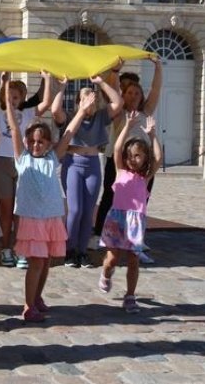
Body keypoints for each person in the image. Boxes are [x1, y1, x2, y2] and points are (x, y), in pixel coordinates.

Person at [6, 85, 94, 322]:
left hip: (51, 218)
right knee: (36, 263)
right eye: (32, 141)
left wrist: (82, 111)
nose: (36, 145)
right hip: (32, 220)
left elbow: (68, 134)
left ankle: (37, 297)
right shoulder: (22, 159)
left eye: (41, 142)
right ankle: (28, 306)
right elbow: (14, 128)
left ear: (47, 143)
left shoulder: (52, 158)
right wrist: (6, 98)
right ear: (27, 142)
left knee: (45, 262)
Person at [51, 74, 123, 268]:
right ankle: (69, 250)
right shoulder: (70, 117)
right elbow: (55, 110)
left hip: (92, 164)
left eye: (94, 99)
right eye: (86, 99)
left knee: (88, 211)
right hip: (73, 163)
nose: (91, 102)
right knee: (75, 210)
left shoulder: (100, 117)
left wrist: (101, 83)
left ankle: (82, 252)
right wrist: (62, 88)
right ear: (78, 102)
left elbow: (118, 103)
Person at [94, 57, 162, 258]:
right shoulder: (119, 112)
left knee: (141, 200)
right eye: (130, 92)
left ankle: (135, 237)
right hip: (119, 162)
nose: (133, 96)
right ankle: (101, 233)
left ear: (141, 96)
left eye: (137, 93)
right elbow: (114, 91)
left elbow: (156, 90)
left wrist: (158, 67)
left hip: (142, 163)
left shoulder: (146, 111)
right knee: (110, 197)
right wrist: (115, 71)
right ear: (124, 95)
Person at [98, 112, 162, 314]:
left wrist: (152, 136)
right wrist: (127, 126)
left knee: (133, 261)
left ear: (144, 158)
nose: (133, 159)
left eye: (138, 155)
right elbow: (117, 148)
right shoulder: (120, 172)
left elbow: (158, 158)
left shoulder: (145, 178)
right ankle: (106, 274)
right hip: (116, 220)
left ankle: (130, 296)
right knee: (112, 260)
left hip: (135, 223)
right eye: (130, 155)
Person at [0, 73, 53, 269]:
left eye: (16, 97)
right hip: (2, 164)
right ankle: (5, 248)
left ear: (23, 97)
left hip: (22, 164)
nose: (12, 100)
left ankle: (20, 249)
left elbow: (46, 102)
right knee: (6, 210)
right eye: (9, 97)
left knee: (21, 210)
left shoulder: (28, 113)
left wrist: (47, 79)